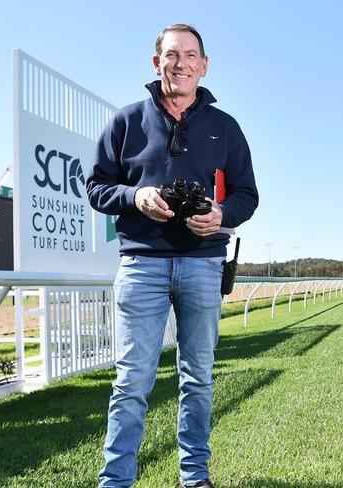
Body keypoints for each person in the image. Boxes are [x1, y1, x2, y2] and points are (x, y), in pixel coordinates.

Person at [87, 23, 258, 488]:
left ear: (204, 66)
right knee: (131, 382)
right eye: (171, 55)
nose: (180, 63)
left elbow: (248, 195)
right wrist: (135, 197)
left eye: (190, 56)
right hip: (142, 264)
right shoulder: (126, 121)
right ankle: (116, 480)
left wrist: (222, 213)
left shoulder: (226, 128)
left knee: (198, 378)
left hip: (204, 264)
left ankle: (194, 476)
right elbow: (97, 187)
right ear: (156, 62)